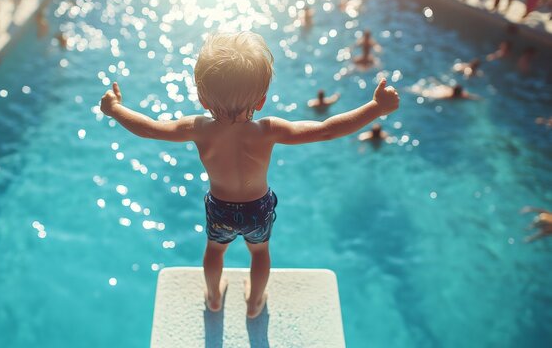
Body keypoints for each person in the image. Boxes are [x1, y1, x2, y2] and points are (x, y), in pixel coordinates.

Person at [99, 32, 400, 318]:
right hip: (258, 208)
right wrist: (375, 108)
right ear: (261, 101)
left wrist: (114, 109)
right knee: (259, 254)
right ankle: (255, 303)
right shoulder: (268, 130)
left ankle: (214, 298)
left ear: (203, 100)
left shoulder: (198, 128)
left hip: (220, 208)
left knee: (215, 251)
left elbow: (149, 128)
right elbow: (327, 130)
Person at [412, 83, 479, 100]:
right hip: (439, 93)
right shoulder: (449, 96)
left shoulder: (452, 92)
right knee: (424, 93)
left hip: (441, 89)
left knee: (424, 91)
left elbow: (471, 96)